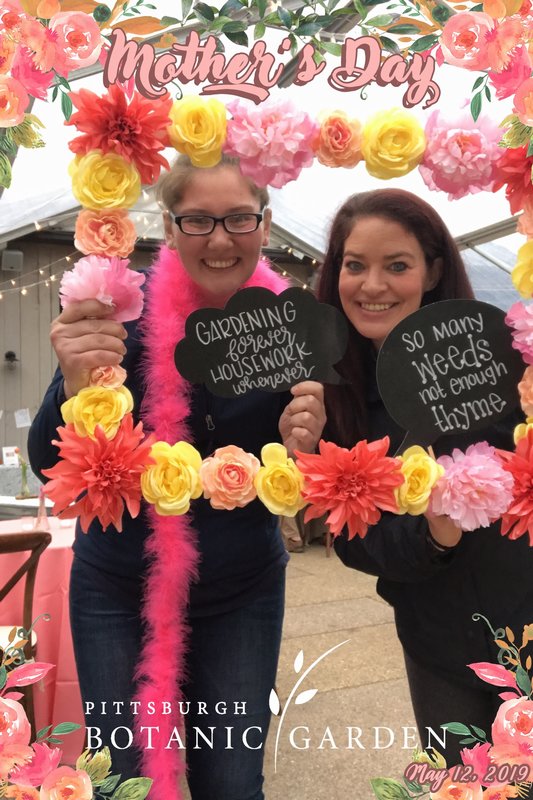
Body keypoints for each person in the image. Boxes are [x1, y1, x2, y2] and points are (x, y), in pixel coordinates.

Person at [28, 154, 326, 800]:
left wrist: (310, 441)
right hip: (116, 586)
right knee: (123, 780)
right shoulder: (119, 316)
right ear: (167, 224)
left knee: (231, 780)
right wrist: (74, 385)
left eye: (238, 219)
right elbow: (49, 467)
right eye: (197, 220)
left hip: (242, 587)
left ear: (265, 225)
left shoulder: (290, 332)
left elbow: (315, 471)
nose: (219, 239)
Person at [317, 188, 533, 767]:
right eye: (354, 265)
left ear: (433, 270)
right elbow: (356, 543)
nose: (373, 285)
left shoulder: (505, 359)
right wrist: (434, 531)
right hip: (442, 650)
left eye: (398, 265)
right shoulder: (336, 398)